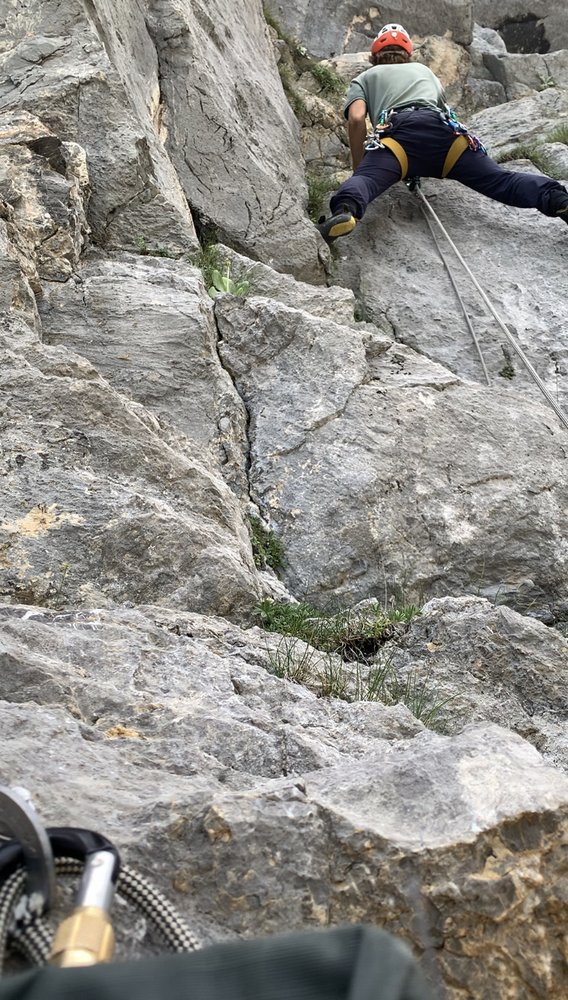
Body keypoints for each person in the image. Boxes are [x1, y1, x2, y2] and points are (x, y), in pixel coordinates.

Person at [317, 23, 568, 241]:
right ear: (407, 54)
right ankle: (557, 199)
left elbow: (357, 118)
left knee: (366, 181)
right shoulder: (425, 73)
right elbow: (442, 111)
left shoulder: (366, 77)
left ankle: (346, 211)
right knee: (501, 181)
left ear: (375, 56)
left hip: (399, 141)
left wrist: (360, 168)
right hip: (446, 139)